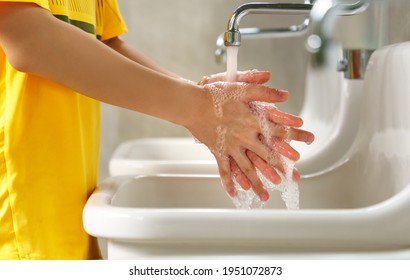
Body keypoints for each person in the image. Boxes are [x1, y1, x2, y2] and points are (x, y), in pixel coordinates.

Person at [0, 0, 314, 259]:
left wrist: (202, 101)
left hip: (62, 218)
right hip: (17, 228)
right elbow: (29, 38)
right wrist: (200, 108)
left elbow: (105, 44)